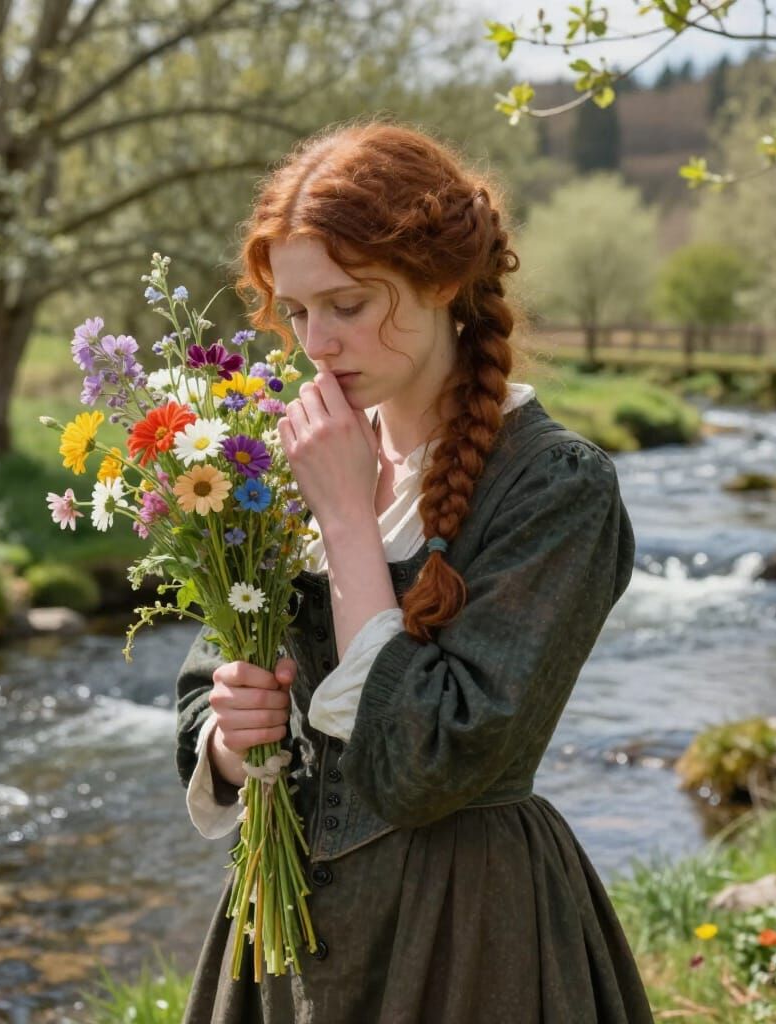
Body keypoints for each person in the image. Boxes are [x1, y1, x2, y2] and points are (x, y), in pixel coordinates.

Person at [175, 119, 654, 1023]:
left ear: (440, 282)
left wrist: (347, 518)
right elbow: (210, 682)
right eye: (297, 312)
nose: (317, 343)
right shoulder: (287, 457)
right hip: (282, 934)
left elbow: (430, 763)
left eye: (348, 304)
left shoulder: (556, 486)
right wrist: (233, 738)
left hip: (466, 933)